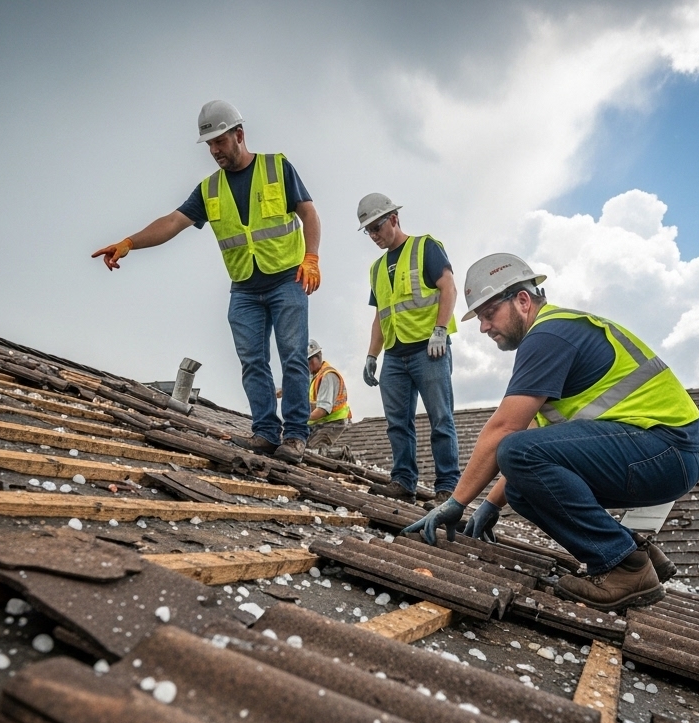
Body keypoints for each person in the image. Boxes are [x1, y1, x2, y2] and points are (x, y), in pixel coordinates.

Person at [403, 253, 699, 610]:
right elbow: (536, 450)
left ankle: (623, 566)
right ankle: (635, 551)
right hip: (661, 454)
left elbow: (506, 432)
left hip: (667, 449)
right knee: (521, 489)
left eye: (489, 314)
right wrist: (490, 504)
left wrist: (456, 502)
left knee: (515, 450)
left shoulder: (549, 334)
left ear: (522, 300)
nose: (484, 327)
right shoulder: (554, 339)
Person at [93, 100, 322, 465]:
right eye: (209, 144)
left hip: (286, 279)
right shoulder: (210, 189)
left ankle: (295, 436)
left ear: (239, 135)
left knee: (293, 357)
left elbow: (308, 212)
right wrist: (129, 243)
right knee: (252, 361)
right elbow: (172, 222)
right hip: (245, 288)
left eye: (219, 141)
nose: (214, 150)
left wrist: (311, 257)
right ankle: (265, 432)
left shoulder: (277, 167)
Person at [357, 193, 460, 504]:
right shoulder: (376, 269)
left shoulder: (424, 247)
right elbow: (380, 315)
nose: (374, 236)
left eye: (377, 228)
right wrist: (372, 355)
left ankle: (448, 487)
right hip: (396, 355)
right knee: (397, 423)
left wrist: (440, 331)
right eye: (369, 231)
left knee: (440, 418)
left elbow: (448, 286)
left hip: (429, 351)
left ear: (393, 219)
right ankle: (403, 481)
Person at [306, 339, 352, 454]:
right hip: (321, 422)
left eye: (310, 360)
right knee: (302, 448)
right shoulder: (314, 376)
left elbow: (322, 410)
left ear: (319, 356)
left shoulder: (327, 376)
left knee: (314, 452)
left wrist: (300, 418)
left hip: (333, 422)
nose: (308, 364)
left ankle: (341, 454)